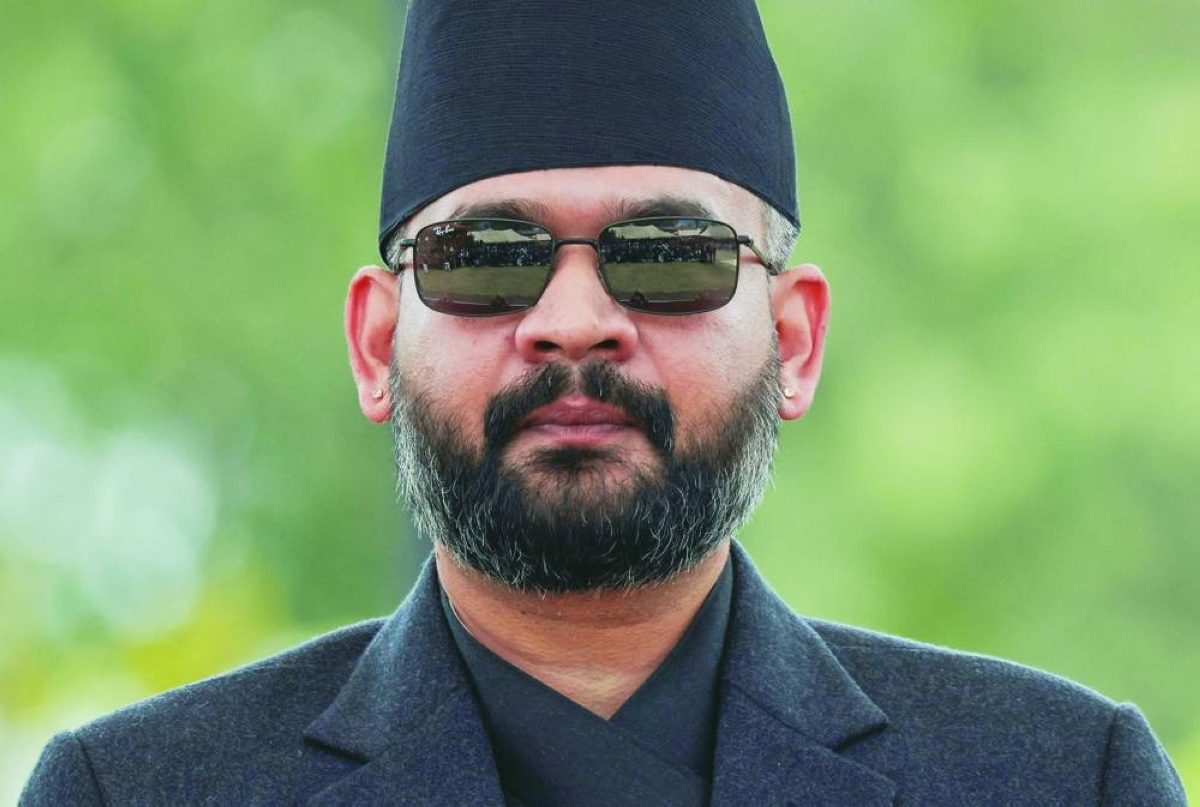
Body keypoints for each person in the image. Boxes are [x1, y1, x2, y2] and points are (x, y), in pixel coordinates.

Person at [20, 0, 1187, 805]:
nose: (574, 319)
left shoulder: (1057, 777)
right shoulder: (134, 790)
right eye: (485, 257)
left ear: (794, 339)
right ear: (378, 344)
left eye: (668, 255)